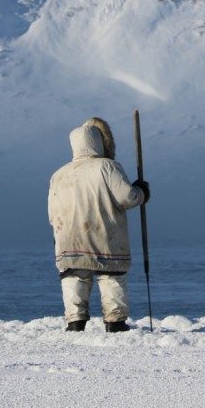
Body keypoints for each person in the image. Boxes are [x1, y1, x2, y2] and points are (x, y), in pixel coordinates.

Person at [47, 117, 150, 332]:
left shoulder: (58, 175)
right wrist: (142, 191)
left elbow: (52, 212)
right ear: (100, 141)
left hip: (69, 239)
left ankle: (75, 322)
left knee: (74, 279)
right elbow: (127, 197)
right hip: (105, 236)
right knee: (111, 278)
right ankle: (115, 323)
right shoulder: (107, 166)